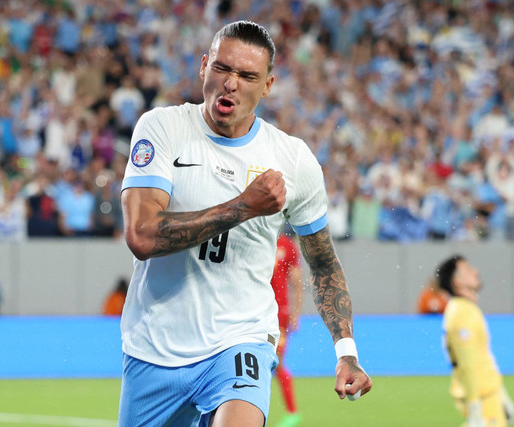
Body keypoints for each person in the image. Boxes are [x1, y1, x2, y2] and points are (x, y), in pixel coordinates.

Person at [118, 20, 372, 427]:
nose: (231, 83)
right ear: (204, 67)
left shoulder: (292, 159)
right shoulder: (162, 128)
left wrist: (346, 350)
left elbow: (323, 263)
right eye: (222, 68)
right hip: (154, 348)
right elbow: (142, 235)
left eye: (247, 75)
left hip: (241, 341)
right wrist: (242, 206)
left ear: (267, 85)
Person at [436, 255, 514, 427]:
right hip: (481, 399)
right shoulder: (462, 313)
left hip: (487, 395)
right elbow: (467, 363)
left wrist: (501, 394)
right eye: (468, 270)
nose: (476, 271)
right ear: (457, 282)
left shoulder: (465, 308)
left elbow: (482, 358)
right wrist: (475, 408)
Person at [271, 229, 304, 427]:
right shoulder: (258, 238)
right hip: (258, 312)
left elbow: (297, 282)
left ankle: (292, 412)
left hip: (278, 314)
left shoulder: (286, 245)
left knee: (275, 363)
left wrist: (295, 313)